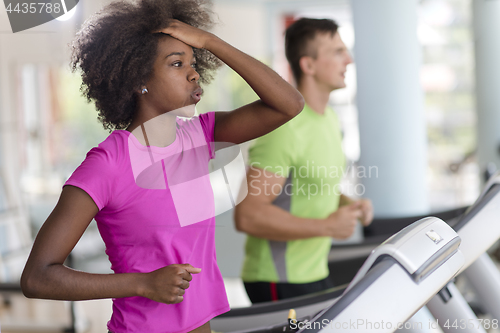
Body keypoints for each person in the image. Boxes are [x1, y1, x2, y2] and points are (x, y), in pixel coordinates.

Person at [20, 0, 304, 332]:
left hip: (203, 326)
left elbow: (289, 103)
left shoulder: (201, 136)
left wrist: (210, 41)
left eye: (194, 61)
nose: (193, 72)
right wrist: (142, 284)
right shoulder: (109, 164)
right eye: (176, 63)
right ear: (139, 79)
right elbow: (38, 276)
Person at [234, 18, 374, 303]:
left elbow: (307, 184)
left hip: (314, 271)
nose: (348, 59)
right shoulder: (284, 129)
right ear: (308, 65)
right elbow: (248, 214)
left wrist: (347, 203)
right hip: (277, 279)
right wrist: (328, 227)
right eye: (337, 52)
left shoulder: (329, 119)